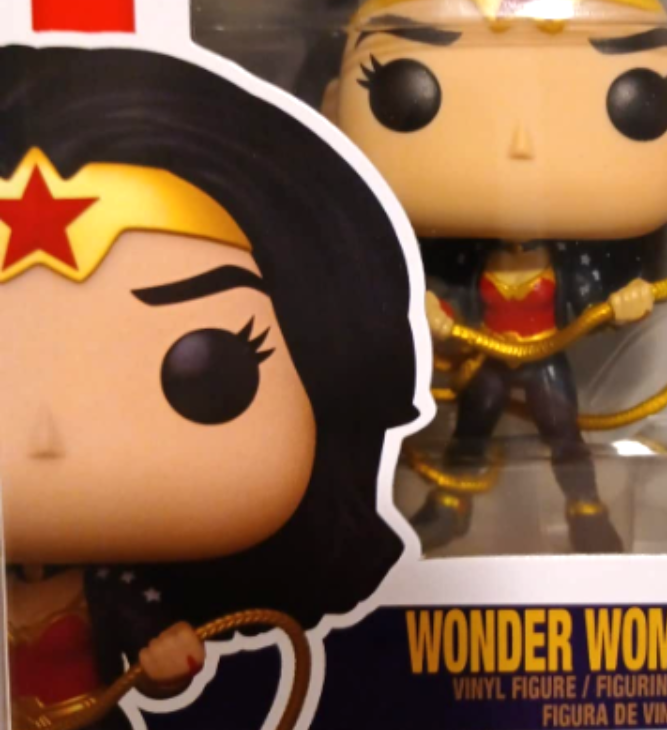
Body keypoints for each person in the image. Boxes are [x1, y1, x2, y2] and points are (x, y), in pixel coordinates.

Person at [0, 45, 419, 729]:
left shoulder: (116, 588)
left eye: (206, 370)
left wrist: (169, 660)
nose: (46, 436)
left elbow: (158, 666)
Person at [327, 0, 667, 553]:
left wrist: (627, 303)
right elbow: (437, 297)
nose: (521, 145)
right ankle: (451, 503)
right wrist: (431, 315)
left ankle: (586, 508)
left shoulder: (576, 262)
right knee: (472, 429)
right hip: (485, 359)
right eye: (406, 93)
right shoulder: (456, 256)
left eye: (638, 98)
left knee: (564, 433)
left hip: (544, 359)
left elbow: (595, 301)